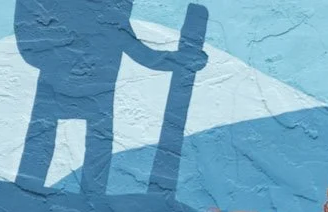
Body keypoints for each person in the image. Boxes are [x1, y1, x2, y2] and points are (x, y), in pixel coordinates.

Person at [13, 0, 203, 195]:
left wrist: (181, 61)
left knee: (94, 149)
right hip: (64, 86)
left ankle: (88, 198)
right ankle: (31, 193)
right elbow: (29, 43)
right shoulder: (71, 10)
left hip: (92, 90)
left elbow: (140, 52)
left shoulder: (111, 13)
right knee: (47, 142)